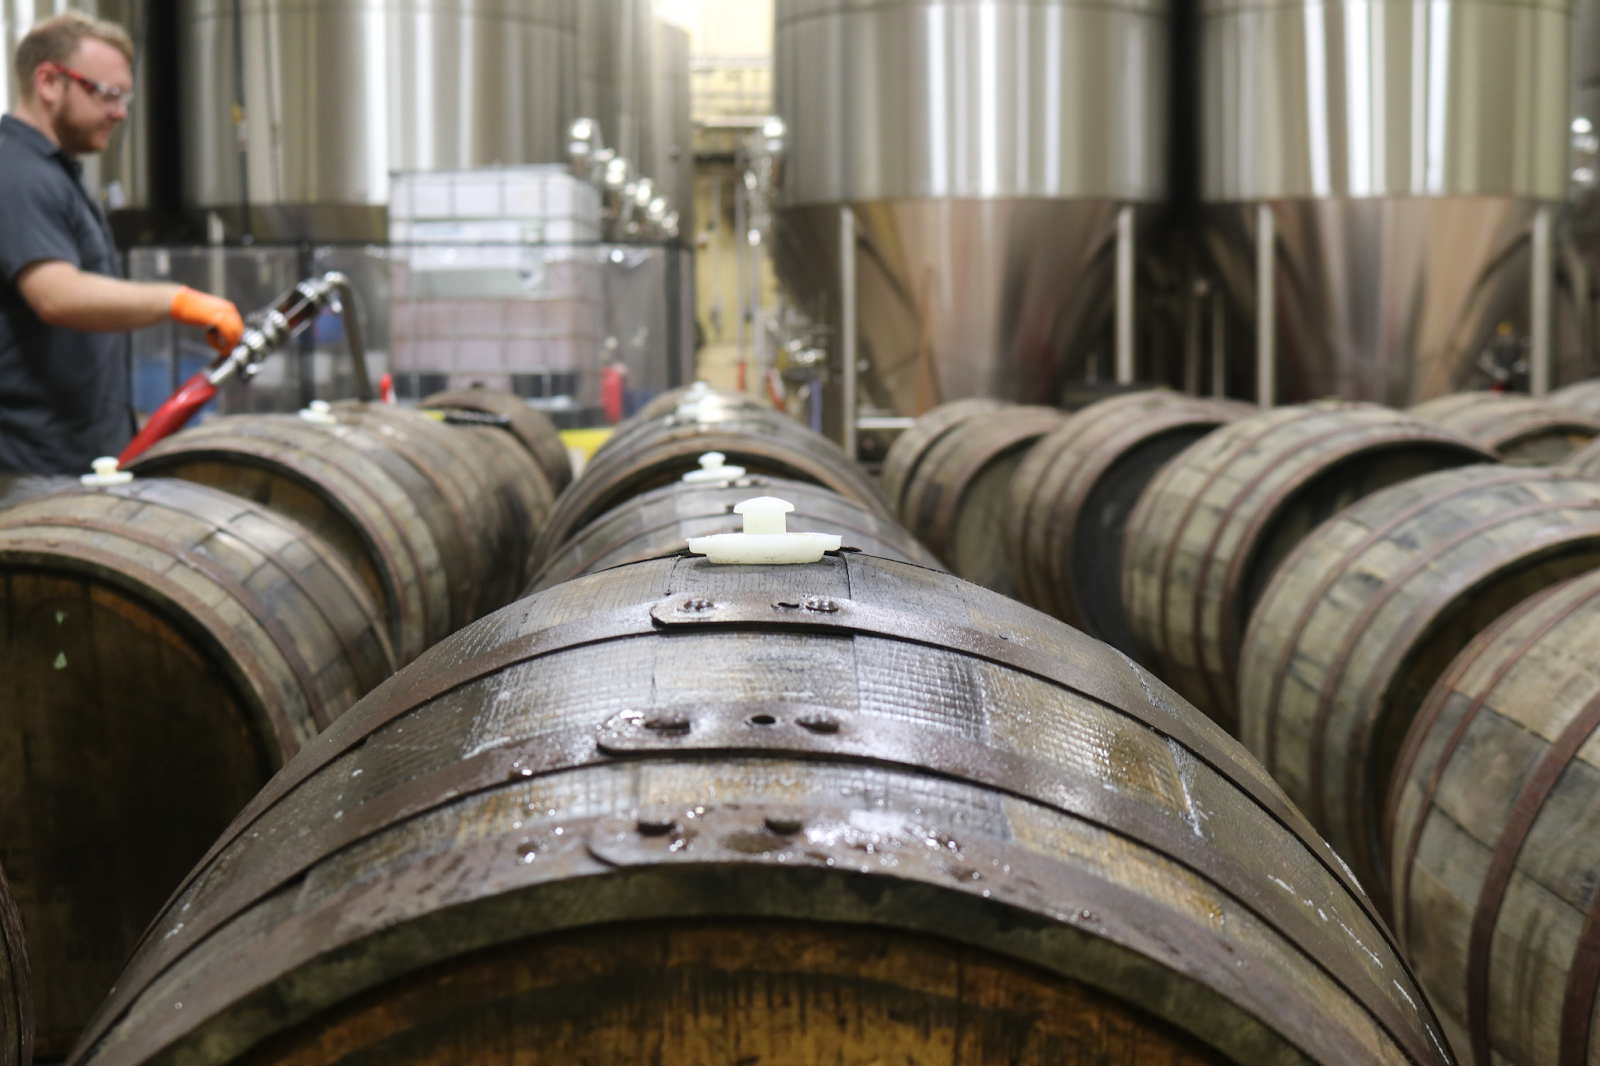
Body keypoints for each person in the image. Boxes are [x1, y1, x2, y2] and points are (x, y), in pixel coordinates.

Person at [0, 11, 244, 480]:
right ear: (49, 81)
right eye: (107, 94)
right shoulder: (16, 174)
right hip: (31, 470)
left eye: (124, 97)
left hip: (69, 455)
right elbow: (57, 295)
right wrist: (177, 300)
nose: (120, 112)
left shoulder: (55, 173)